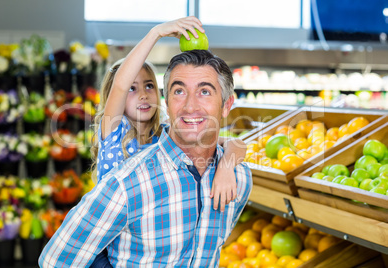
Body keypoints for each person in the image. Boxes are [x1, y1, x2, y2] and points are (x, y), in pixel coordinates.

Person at [39, 17, 252, 267]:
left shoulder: (163, 134)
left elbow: (227, 142)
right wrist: (156, 34)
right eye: (133, 88)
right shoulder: (115, 135)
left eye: (149, 86)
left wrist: (227, 166)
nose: (142, 94)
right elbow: (119, 84)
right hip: (104, 253)